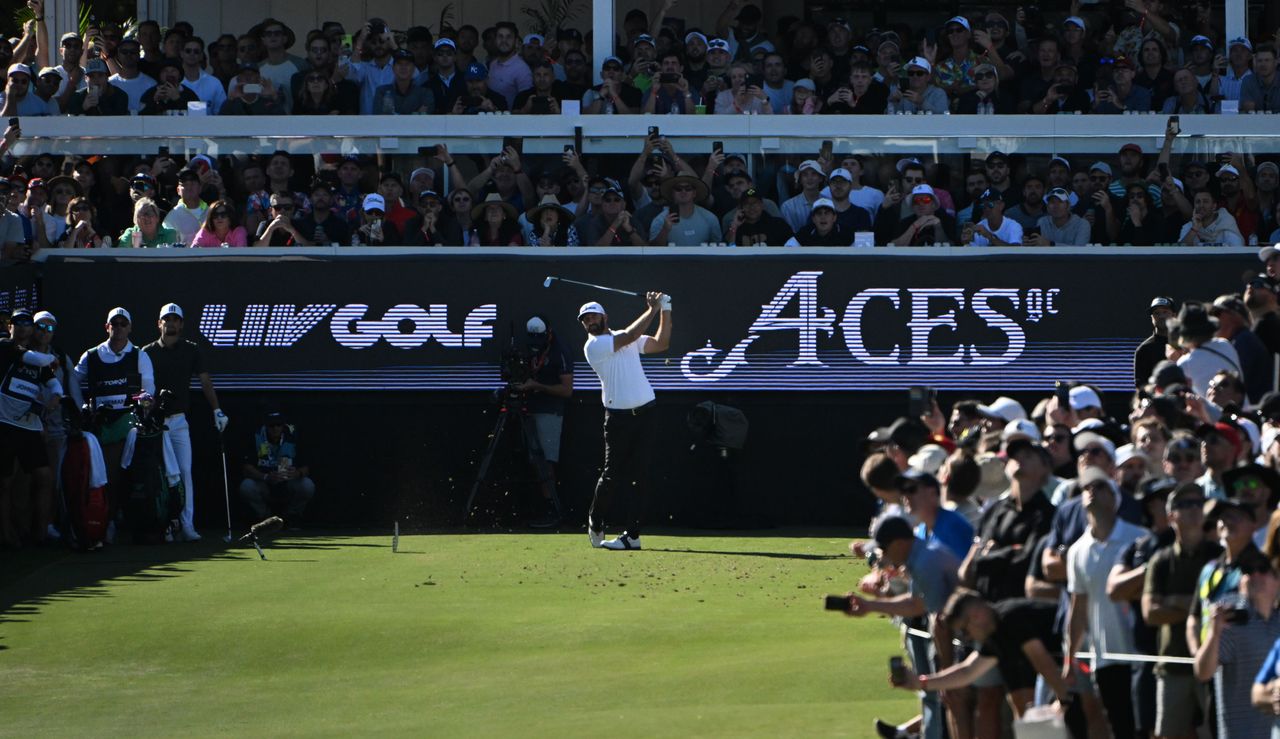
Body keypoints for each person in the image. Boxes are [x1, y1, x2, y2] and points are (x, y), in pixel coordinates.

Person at [845, 516, 959, 739]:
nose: (883, 558)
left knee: (956, 701)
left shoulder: (925, 562)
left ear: (898, 544)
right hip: (954, 632)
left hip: (962, 635)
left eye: (884, 550)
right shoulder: (918, 557)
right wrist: (870, 605)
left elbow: (934, 615)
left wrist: (945, 671)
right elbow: (916, 603)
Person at [579, 292, 671, 550]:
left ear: (604, 317)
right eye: (585, 320)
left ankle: (632, 536)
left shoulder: (624, 336)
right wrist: (652, 309)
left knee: (639, 476)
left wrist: (666, 309)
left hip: (646, 413)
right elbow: (629, 336)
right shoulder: (593, 346)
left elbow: (661, 343)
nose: (590, 322)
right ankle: (596, 520)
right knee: (612, 475)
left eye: (593, 316)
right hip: (618, 419)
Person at [1065, 468, 1149, 739]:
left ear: (1114, 499)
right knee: (1120, 728)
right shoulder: (1077, 551)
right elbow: (1078, 608)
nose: (1091, 491)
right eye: (1087, 487)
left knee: (1145, 729)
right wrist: (1070, 658)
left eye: (1100, 487)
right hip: (1105, 656)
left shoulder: (1140, 538)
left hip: (1141, 652)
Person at [141, 302, 226, 541]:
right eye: (167, 319)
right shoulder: (146, 352)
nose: (171, 323)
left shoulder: (191, 350)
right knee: (165, 475)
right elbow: (140, 389)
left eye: (175, 320)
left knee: (185, 472)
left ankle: (187, 525)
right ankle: (167, 525)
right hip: (156, 424)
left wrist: (217, 411)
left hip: (179, 421)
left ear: (181, 324)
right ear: (160, 323)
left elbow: (205, 381)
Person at [73, 307, 157, 543]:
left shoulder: (139, 355)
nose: (118, 327)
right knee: (103, 475)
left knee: (127, 471)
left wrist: (145, 401)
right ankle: (104, 520)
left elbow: (148, 389)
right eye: (114, 323)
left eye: (123, 323)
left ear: (129, 327)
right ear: (107, 327)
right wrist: (81, 408)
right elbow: (73, 379)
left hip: (129, 421)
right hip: (99, 424)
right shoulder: (91, 355)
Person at [1196, 557, 1280, 739]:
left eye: (1263, 569)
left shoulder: (1278, 623)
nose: (1254, 575)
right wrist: (1214, 634)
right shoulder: (1230, 623)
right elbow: (1203, 673)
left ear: (1278, 580)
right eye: (1248, 571)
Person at [0, 309, 62, 549]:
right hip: (4, 424)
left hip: (29, 427)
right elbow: (38, 360)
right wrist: (51, 360)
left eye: (28, 323)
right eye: (19, 323)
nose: (24, 327)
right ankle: (6, 536)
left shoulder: (36, 356)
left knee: (44, 477)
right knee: (5, 482)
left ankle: (40, 534)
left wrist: (54, 398)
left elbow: (53, 384)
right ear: (10, 327)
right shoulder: (6, 347)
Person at [510, 316, 573, 527]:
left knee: (546, 461)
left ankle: (553, 509)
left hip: (549, 411)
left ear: (548, 333)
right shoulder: (527, 349)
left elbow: (566, 390)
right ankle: (535, 506)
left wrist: (536, 385)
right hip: (529, 409)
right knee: (533, 460)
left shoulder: (559, 350)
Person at [239, 410, 315, 525]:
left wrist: (297, 473)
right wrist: (265, 477)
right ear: (266, 426)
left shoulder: (293, 436)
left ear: (283, 426)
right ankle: (265, 518)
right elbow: (246, 467)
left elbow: (306, 467)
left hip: (288, 483)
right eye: (271, 425)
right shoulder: (256, 436)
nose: (275, 428)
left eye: (278, 425)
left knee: (307, 485)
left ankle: (292, 516)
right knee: (247, 486)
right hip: (264, 483)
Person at [1136, 296, 1175, 389]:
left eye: (1165, 312)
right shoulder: (1144, 349)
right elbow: (1140, 385)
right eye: (1156, 313)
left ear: (1174, 315)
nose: (1161, 316)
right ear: (1152, 317)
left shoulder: (1184, 345)